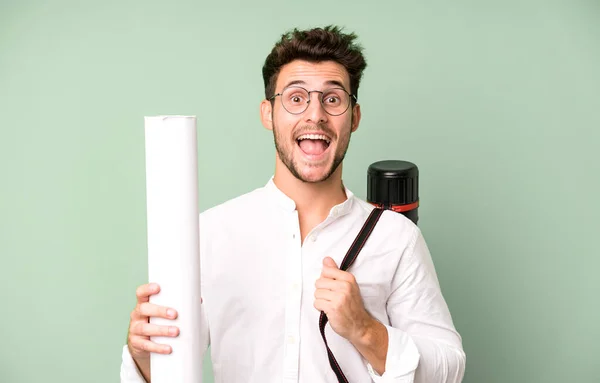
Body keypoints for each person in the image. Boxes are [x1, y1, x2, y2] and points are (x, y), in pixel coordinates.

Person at [120, 25, 466, 383]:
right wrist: (144, 357)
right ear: (268, 114)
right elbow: (170, 370)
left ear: (354, 117)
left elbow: (450, 368)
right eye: (296, 98)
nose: (315, 114)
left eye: (332, 99)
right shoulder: (210, 233)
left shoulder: (396, 238)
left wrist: (365, 330)